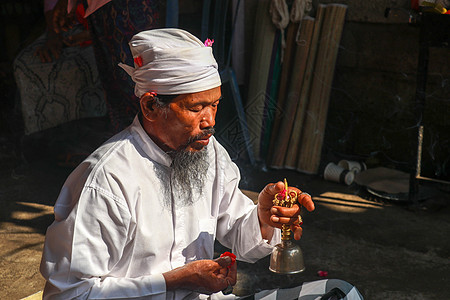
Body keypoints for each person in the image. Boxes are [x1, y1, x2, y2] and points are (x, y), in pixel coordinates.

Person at [40, 28, 363, 299]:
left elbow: (241, 234)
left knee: (339, 293)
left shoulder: (207, 152)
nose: (209, 122)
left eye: (215, 105)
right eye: (196, 108)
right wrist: (172, 280)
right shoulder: (107, 180)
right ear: (152, 106)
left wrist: (264, 220)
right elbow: (70, 294)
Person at [50, 0, 162, 132]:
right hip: (103, 9)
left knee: (137, 87)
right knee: (121, 88)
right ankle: (136, 141)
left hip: (123, 7)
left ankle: (150, 142)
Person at [13, 0, 106, 136]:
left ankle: (95, 134)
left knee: (89, 64)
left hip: (108, 23)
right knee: (24, 64)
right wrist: (53, 34)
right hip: (75, 22)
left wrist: (92, 34)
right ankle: (45, 138)